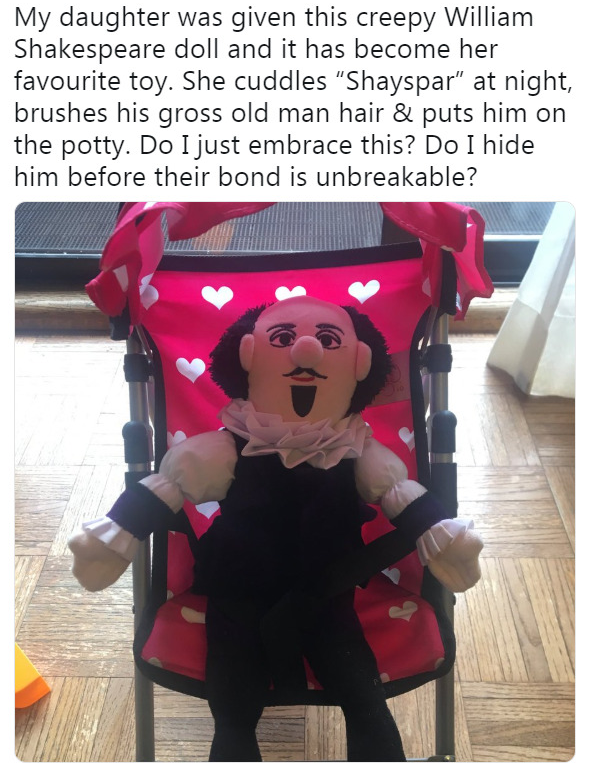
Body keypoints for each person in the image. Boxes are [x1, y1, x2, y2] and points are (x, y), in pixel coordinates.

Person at [69, 296, 483, 761]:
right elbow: (171, 485)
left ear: (360, 363)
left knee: (362, 694)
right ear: (247, 354)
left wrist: (442, 536)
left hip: (328, 591)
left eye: (328, 341)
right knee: (233, 702)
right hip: (238, 588)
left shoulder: (355, 450)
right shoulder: (230, 447)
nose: (305, 350)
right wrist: (117, 533)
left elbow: (398, 493)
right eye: (283, 339)